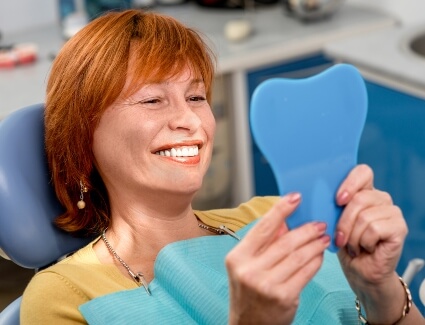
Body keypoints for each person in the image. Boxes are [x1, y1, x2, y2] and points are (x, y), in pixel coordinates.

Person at [20, 9, 424, 325]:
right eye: (151, 100)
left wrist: (381, 291)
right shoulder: (65, 296)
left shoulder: (276, 217)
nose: (191, 122)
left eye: (196, 98)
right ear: (82, 136)